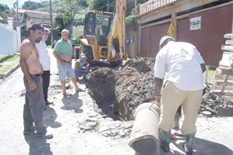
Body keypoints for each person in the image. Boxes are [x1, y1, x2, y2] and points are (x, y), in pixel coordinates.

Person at [154, 36, 206, 154]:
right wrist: (191, 76)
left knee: (167, 114)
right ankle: (189, 146)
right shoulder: (190, 46)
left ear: (162, 45)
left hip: (175, 85)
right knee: (190, 117)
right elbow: (202, 67)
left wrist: (158, 95)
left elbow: (158, 79)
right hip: (197, 86)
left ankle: (165, 144)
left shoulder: (163, 52)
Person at [20, 23, 53, 139]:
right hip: (33, 78)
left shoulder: (33, 44)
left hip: (35, 77)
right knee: (38, 105)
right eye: (39, 33)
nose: (41, 35)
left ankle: (28, 128)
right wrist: (30, 80)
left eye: (42, 33)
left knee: (29, 104)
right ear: (31, 32)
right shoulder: (27, 44)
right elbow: (22, 62)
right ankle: (41, 131)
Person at [53, 29, 84, 96]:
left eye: (67, 34)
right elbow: (54, 52)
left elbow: (70, 52)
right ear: (62, 35)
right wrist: (60, 61)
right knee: (63, 77)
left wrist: (70, 61)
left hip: (68, 63)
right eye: (65, 35)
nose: (66, 36)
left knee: (72, 75)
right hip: (62, 63)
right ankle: (64, 91)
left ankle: (77, 88)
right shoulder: (59, 43)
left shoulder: (69, 42)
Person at [36, 27, 53, 105]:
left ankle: (45, 100)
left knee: (46, 85)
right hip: (41, 69)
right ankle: (40, 102)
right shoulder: (38, 43)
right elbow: (35, 56)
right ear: (41, 34)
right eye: (45, 34)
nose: (47, 36)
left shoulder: (43, 43)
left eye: (47, 34)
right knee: (41, 86)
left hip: (46, 68)